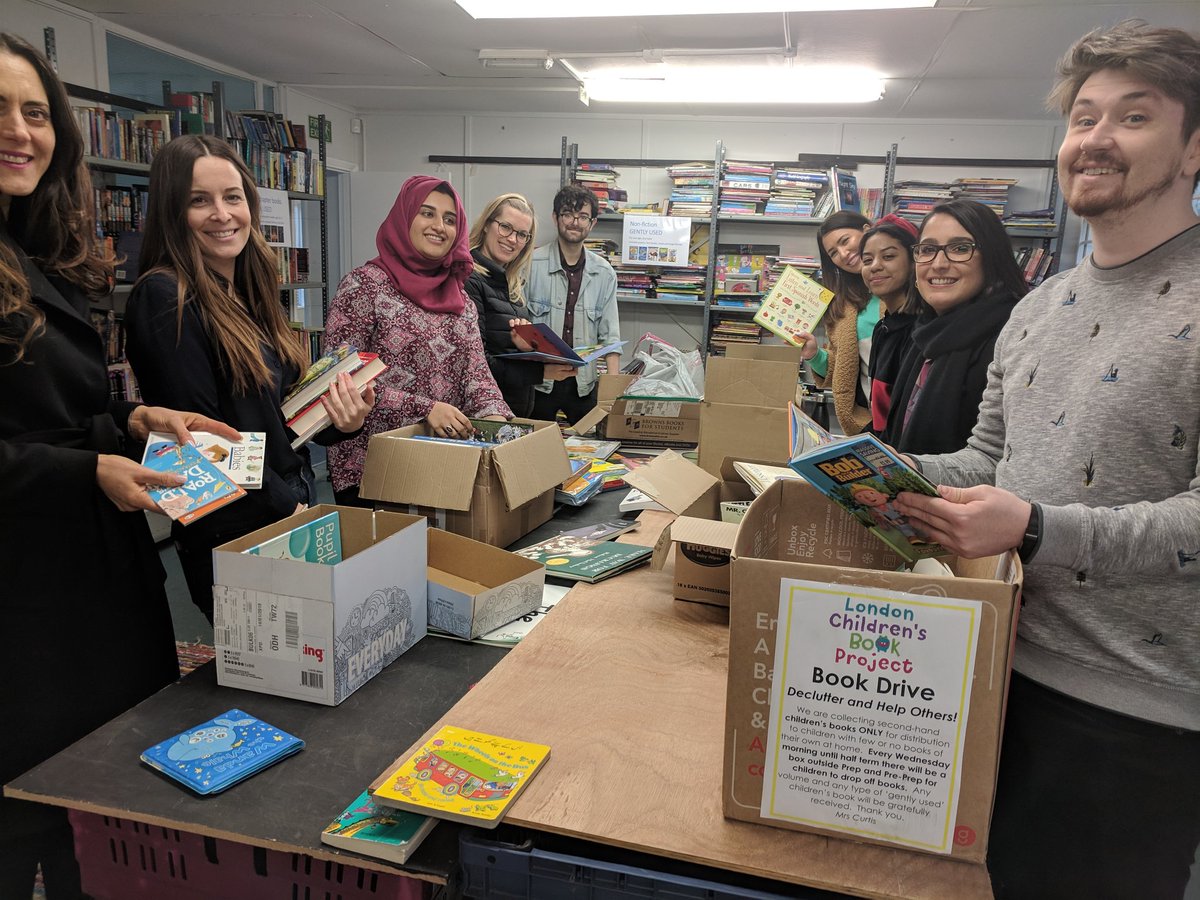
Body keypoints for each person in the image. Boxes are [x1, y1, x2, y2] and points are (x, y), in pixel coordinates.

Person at [892, 21, 1200, 898]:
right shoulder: (1039, 307)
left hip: (1134, 712)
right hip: (995, 663)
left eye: (1134, 118)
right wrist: (877, 470)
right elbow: (991, 455)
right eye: (1084, 117)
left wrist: (1033, 528)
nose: (1096, 140)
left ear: (1193, 148)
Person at [0, 34, 240, 898]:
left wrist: (133, 418)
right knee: (33, 810)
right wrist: (85, 469)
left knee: (100, 807)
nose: (21, 132)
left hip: (93, 575)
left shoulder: (36, 251)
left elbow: (58, 411)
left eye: (35, 112)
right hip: (26, 601)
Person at [125, 135, 374, 621]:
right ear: (172, 212)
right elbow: (201, 435)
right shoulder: (164, 297)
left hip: (285, 506)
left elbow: (272, 415)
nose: (222, 214)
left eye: (232, 197)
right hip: (237, 528)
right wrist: (287, 509)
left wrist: (344, 419)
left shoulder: (249, 289)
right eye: (199, 200)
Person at [325, 175, 511, 505]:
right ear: (405, 216)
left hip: (442, 464)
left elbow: (477, 376)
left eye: (450, 219)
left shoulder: (460, 298)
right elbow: (341, 381)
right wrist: (425, 409)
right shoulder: (363, 287)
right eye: (427, 213)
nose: (439, 226)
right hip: (373, 469)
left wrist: (496, 420)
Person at [881, 199, 1026, 454]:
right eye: (927, 250)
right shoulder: (924, 334)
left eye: (960, 248)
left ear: (992, 257)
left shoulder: (1013, 339)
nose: (938, 264)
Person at [464, 192, 574, 417]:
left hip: (511, 411)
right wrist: (541, 372)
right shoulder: (469, 279)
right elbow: (475, 365)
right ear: (486, 225)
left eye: (522, 234)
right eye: (505, 227)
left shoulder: (511, 285)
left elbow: (501, 349)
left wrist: (527, 347)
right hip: (483, 415)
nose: (512, 239)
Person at [525, 184, 621, 425]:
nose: (575, 222)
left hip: (583, 385)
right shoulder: (530, 265)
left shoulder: (604, 273)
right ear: (555, 217)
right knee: (533, 451)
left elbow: (610, 336)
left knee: (593, 451)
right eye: (568, 214)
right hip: (538, 384)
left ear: (592, 223)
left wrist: (612, 393)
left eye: (583, 216)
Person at [796, 210, 874, 435]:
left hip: (911, 416)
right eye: (833, 252)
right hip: (869, 422)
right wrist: (813, 354)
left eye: (845, 241)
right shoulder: (844, 305)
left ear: (867, 230)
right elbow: (842, 370)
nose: (843, 253)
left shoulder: (908, 290)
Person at [857, 216, 924, 433]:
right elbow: (881, 418)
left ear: (914, 261)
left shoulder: (921, 334)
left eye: (888, 256)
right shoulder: (883, 327)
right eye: (867, 260)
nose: (875, 266)